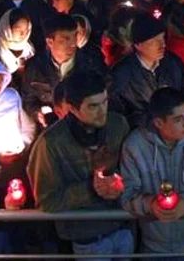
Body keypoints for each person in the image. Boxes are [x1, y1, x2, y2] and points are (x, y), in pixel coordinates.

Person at [28, 70, 132, 261]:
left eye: (104, 102)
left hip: (123, 224)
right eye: (93, 106)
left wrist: (118, 182)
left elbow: (131, 170)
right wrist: (91, 189)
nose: (102, 111)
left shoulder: (118, 125)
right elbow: (46, 201)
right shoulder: (51, 143)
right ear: (73, 108)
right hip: (87, 236)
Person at [120, 87, 184, 258]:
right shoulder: (135, 146)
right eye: (178, 119)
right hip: (153, 246)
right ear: (159, 123)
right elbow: (126, 193)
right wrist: (150, 204)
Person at [110, 14, 184, 128]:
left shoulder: (172, 63)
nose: (162, 45)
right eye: (155, 41)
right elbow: (119, 114)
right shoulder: (122, 74)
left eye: (163, 38)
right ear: (138, 45)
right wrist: (153, 121)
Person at [22, 14, 105, 126]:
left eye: (75, 36)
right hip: (53, 126)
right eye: (65, 39)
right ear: (50, 42)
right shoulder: (35, 67)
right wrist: (39, 113)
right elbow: (28, 99)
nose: (72, 44)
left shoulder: (91, 62)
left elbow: (106, 88)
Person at [0, 8, 35, 75]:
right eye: (18, 29)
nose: (23, 34)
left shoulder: (30, 49)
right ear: (7, 28)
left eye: (26, 29)